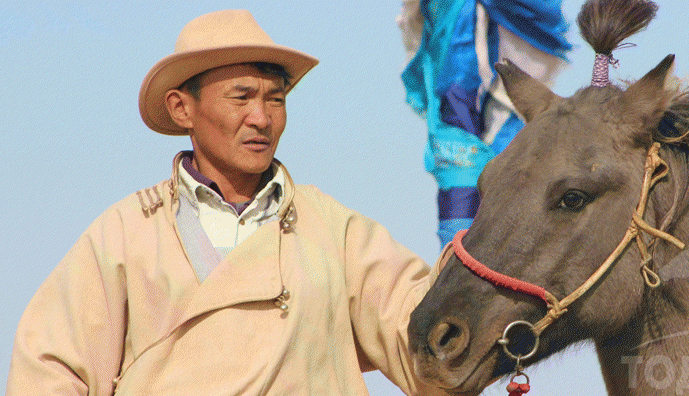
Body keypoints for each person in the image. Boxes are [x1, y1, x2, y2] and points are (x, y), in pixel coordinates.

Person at [6, 10, 449, 395]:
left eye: (275, 99)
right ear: (182, 109)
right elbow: (51, 368)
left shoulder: (335, 231)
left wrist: (486, 260)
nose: (262, 118)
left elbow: (425, 335)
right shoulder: (125, 235)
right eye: (242, 97)